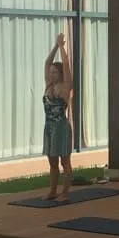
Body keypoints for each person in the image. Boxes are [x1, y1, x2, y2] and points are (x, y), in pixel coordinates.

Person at [42, 32, 74, 202]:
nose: (51, 75)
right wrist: (55, 45)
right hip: (49, 126)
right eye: (51, 73)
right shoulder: (48, 85)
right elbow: (47, 63)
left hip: (61, 126)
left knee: (65, 161)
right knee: (52, 162)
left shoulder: (65, 87)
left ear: (60, 74)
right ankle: (53, 191)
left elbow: (66, 65)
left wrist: (62, 47)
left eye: (55, 73)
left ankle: (65, 193)